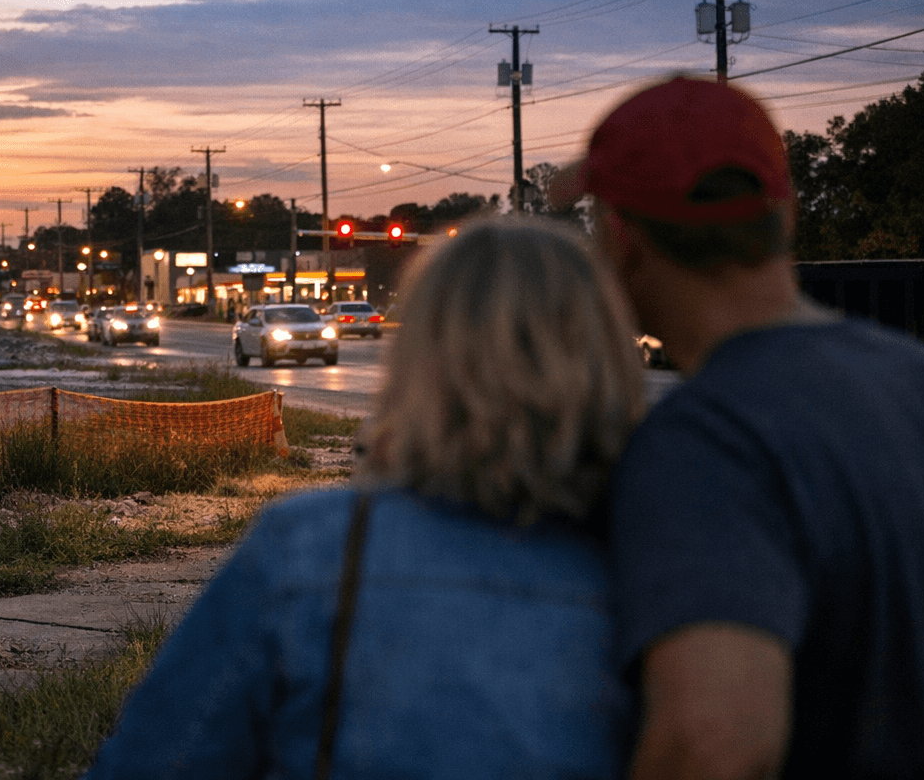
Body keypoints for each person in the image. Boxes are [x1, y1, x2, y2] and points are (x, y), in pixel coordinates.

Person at [85, 218, 645, 779]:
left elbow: (157, 759)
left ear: (417, 361)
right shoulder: (661, 563)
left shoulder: (310, 551)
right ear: (610, 358)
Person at [549, 75, 924, 779]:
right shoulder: (914, 378)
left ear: (623, 240)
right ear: (783, 219)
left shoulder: (709, 442)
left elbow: (713, 745)